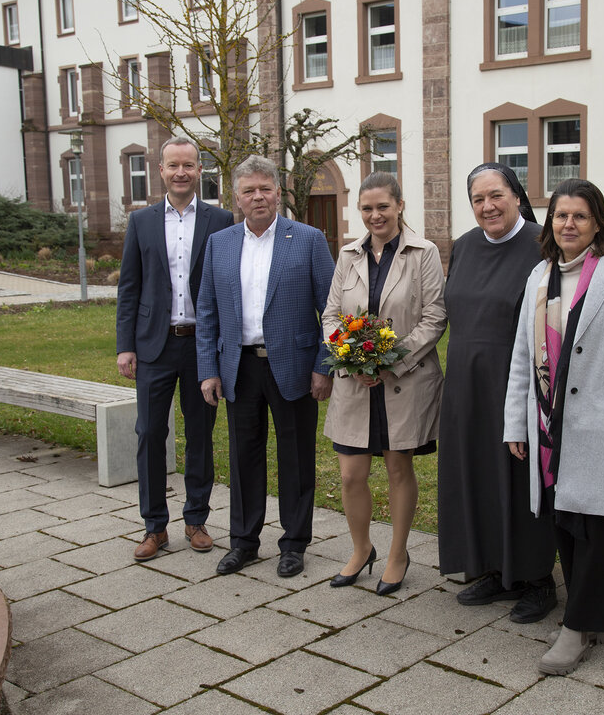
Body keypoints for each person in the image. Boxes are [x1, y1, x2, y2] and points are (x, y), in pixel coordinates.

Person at [504, 178, 604, 675]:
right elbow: (522, 359)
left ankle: (576, 628)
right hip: (549, 427)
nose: (568, 224)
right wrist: (516, 424)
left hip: (602, 429)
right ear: (550, 222)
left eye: (579, 216)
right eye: (560, 215)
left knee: (595, 529)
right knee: (566, 524)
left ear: (597, 223)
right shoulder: (539, 276)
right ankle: (588, 617)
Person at [196, 154, 335, 579]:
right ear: (236, 198)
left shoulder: (308, 239)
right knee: (244, 457)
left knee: (296, 458)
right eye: (249, 191)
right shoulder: (220, 244)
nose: (258, 197)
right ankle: (244, 542)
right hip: (239, 366)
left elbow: (332, 310)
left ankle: (294, 544)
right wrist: (209, 368)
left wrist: (324, 367)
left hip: (293, 366)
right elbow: (207, 311)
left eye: (265, 189)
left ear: (278, 192)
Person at [437, 162, 559, 623]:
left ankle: (536, 578)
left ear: (516, 196)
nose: (487, 207)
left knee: (518, 477)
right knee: (476, 473)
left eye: (496, 196)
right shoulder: (464, 247)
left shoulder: (540, 247)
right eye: (478, 199)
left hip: (519, 383)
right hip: (467, 384)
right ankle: (492, 567)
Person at [322, 172, 447, 596]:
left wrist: (389, 363)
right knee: (352, 474)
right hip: (354, 382)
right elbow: (331, 316)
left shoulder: (423, 252)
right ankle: (361, 550)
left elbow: (435, 318)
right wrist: (352, 357)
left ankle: (397, 554)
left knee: (397, 467)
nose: (375, 215)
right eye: (367, 208)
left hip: (403, 381)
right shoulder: (348, 255)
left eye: (382, 207)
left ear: (399, 206)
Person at [116, 136, 234, 562]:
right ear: (160, 170)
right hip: (154, 346)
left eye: (188, 165)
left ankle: (196, 519)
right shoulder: (141, 221)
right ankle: (154, 526)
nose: (180, 172)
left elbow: (227, 285)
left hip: (202, 347)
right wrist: (125, 345)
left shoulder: (221, 220)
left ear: (199, 170)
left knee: (200, 434)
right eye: (173, 165)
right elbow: (129, 288)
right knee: (149, 433)